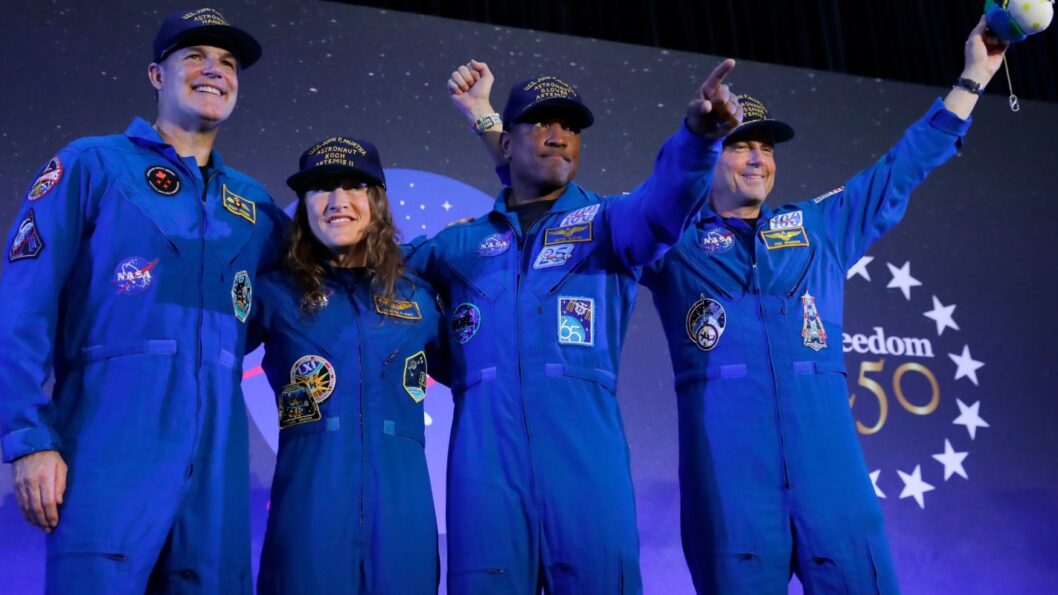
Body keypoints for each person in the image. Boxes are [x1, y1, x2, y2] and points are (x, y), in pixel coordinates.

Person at [637, 17, 1009, 594]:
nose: (758, 158)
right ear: (710, 157)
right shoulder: (669, 240)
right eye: (740, 146)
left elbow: (900, 170)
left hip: (832, 482)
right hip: (729, 488)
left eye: (765, 147)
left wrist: (973, 76)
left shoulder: (816, 227)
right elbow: (618, 211)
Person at [409, 60, 740, 593]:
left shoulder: (611, 223)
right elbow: (378, 279)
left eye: (570, 126)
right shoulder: (457, 246)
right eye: (541, 123)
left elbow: (665, 205)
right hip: (484, 475)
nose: (559, 135)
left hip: (586, 473)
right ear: (506, 143)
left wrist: (699, 139)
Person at [0, 8, 285, 593]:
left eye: (227, 63)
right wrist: (29, 438)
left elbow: (292, 305)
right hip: (109, 445)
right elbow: (24, 306)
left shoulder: (253, 205)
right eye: (194, 57)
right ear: (157, 75)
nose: (214, 71)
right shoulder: (90, 164)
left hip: (217, 462)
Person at [250, 135, 446, 594]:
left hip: (404, 516)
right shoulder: (273, 293)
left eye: (354, 186)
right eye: (321, 188)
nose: (338, 201)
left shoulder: (419, 296)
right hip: (308, 513)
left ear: (376, 200)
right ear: (303, 205)